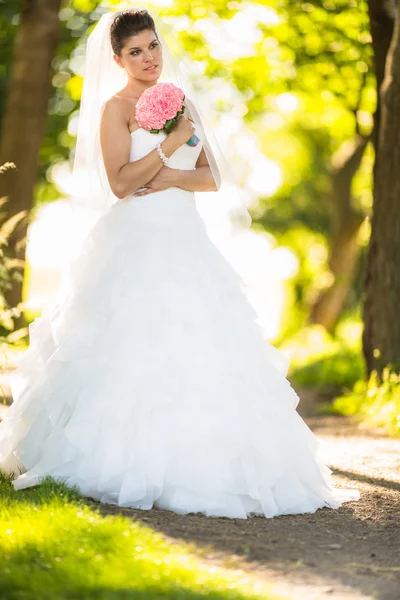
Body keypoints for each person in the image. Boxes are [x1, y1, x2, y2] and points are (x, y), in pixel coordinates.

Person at [0, 8, 359, 519]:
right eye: (136, 51)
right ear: (119, 58)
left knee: (204, 338)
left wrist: (168, 176)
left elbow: (211, 177)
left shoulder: (180, 101)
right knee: (130, 345)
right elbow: (121, 183)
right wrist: (169, 146)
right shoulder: (114, 108)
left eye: (153, 46)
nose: (149, 58)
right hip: (134, 241)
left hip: (186, 238)